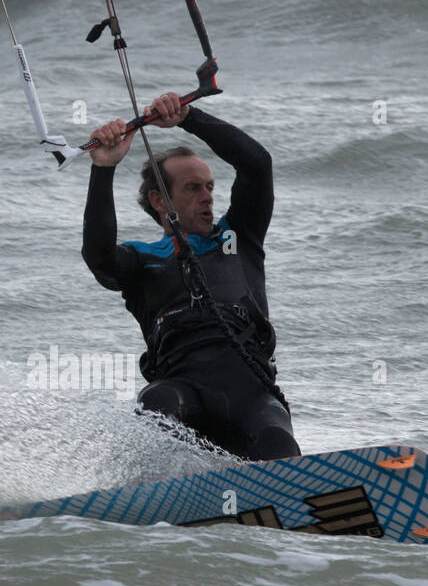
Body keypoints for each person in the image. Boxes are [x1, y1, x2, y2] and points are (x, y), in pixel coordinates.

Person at [82, 92, 300, 461]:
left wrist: (189, 116)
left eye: (210, 187)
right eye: (193, 188)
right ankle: (155, 494)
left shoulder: (236, 239)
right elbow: (99, 258)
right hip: (184, 394)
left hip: (251, 396)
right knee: (157, 402)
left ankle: (298, 502)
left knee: (279, 442)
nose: (207, 198)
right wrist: (103, 168)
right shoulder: (142, 259)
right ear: (159, 201)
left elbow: (258, 165)